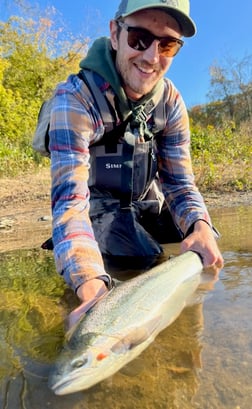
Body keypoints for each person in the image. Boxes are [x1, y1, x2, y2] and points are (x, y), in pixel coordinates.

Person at [48, 0, 224, 329]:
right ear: (115, 34)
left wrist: (199, 226)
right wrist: (90, 285)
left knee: (205, 238)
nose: (151, 58)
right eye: (139, 38)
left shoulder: (170, 102)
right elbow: (70, 202)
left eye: (167, 44)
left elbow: (180, 184)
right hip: (95, 207)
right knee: (144, 257)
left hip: (146, 200)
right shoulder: (74, 100)